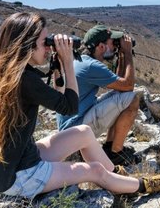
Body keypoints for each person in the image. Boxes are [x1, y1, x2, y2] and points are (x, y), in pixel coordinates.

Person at [0, 12, 160, 200]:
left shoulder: (8, 74)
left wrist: (58, 66)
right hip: (15, 178)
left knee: (84, 132)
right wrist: (68, 61)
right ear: (26, 45)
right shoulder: (25, 81)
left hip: (12, 163)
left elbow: (59, 101)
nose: (49, 48)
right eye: (44, 43)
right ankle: (142, 186)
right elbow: (69, 106)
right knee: (94, 170)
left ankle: (118, 178)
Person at [56, 24, 140, 166]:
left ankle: (109, 147)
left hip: (70, 127)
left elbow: (120, 87)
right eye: (112, 43)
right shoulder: (91, 66)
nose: (114, 46)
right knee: (133, 99)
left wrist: (120, 55)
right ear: (101, 47)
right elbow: (128, 85)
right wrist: (127, 54)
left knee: (120, 96)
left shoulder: (82, 61)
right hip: (75, 130)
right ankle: (115, 153)